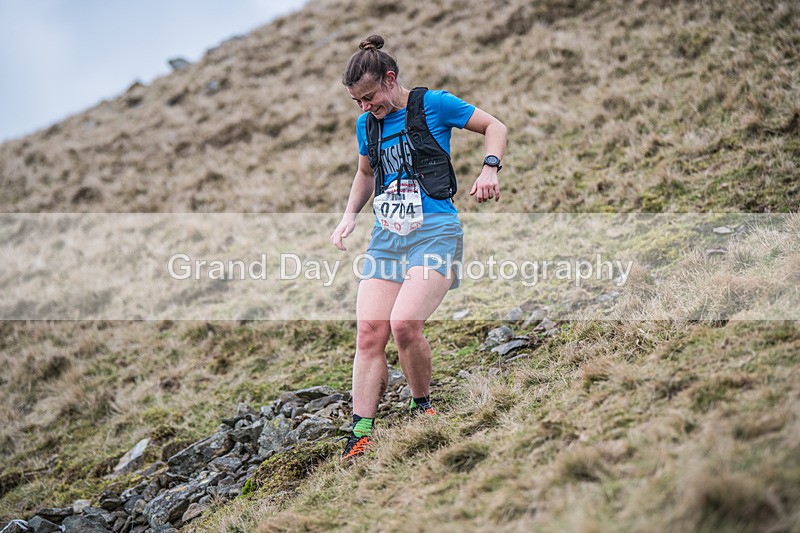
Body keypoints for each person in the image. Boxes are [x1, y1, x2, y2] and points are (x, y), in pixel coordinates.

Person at [331, 35, 507, 460]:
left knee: (405, 323)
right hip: (387, 238)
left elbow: (494, 127)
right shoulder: (366, 125)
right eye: (357, 101)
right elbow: (365, 173)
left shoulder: (435, 104)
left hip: (435, 232)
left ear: (390, 80)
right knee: (370, 331)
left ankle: (421, 405)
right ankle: (361, 432)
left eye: (369, 97)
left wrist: (490, 169)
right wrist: (350, 214)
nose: (364, 107)